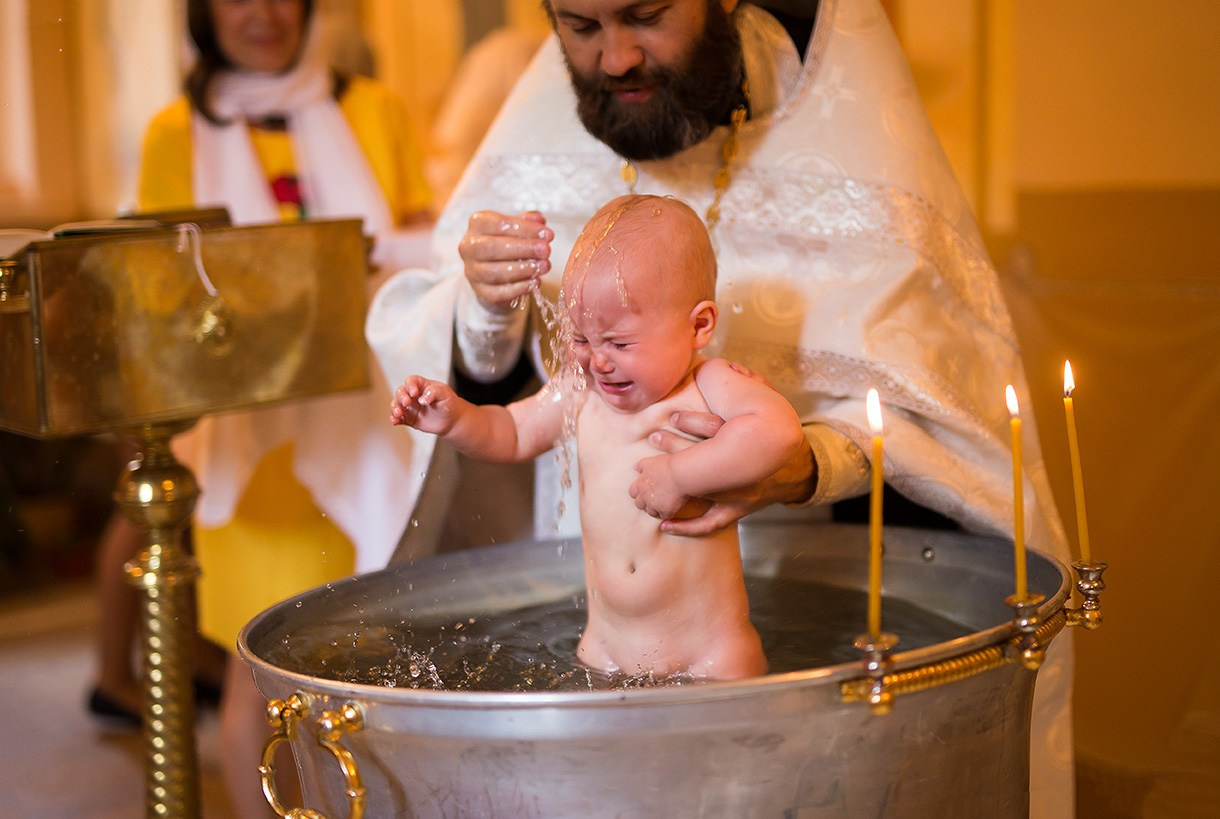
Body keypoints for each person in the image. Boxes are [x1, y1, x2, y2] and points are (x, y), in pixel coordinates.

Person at [366, 1, 1074, 815]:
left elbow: (942, 406)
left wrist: (799, 462)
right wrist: (484, 305)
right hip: (600, 613)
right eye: (579, 25)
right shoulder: (542, 125)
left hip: (805, 597)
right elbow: (508, 404)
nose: (615, 57)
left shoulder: (849, 122)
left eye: (645, 14)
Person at [93, 0, 432, 814]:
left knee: (368, 654)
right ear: (206, 15)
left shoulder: (373, 107)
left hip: (363, 417)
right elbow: (163, 277)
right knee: (264, 663)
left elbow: (423, 227)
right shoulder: (176, 131)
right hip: (254, 438)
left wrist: (372, 254)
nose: (266, 13)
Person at [394, 194, 803, 680]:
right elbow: (512, 432)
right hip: (604, 648)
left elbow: (780, 433)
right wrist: (455, 418)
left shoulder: (710, 385)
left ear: (698, 325)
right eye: (582, 339)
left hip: (711, 656)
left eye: (620, 343)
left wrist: (681, 473)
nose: (597, 361)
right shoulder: (580, 390)